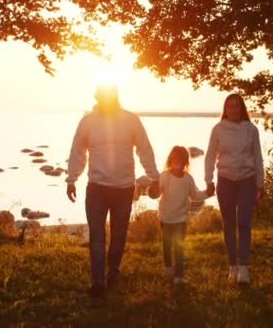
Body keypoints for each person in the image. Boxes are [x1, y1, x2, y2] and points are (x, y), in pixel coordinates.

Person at [65, 84, 160, 298]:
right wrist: (71, 179)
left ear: (116, 98)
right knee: (97, 235)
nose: (108, 100)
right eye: (104, 97)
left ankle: (113, 269)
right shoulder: (87, 122)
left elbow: (144, 148)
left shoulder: (131, 120)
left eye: (112, 97)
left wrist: (155, 176)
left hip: (124, 188)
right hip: (96, 187)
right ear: (97, 98)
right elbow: (77, 151)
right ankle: (97, 281)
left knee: (118, 235)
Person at [205, 93, 264, 284]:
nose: (233, 110)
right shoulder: (218, 129)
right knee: (229, 224)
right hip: (226, 180)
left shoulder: (251, 129)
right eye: (230, 106)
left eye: (237, 106)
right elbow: (210, 156)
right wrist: (208, 180)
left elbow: (258, 157)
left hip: (247, 179)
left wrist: (259, 183)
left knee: (244, 222)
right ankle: (233, 266)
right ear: (225, 109)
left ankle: (244, 269)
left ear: (242, 108)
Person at [155, 146, 213, 285]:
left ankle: (178, 276)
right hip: (166, 219)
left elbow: (194, 195)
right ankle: (168, 269)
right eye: (175, 161)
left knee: (179, 248)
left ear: (185, 163)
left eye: (181, 162)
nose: (178, 165)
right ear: (170, 161)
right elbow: (157, 191)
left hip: (181, 220)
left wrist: (207, 193)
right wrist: (152, 191)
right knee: (167, 246)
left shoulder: (188, 179)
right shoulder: (165, 176)